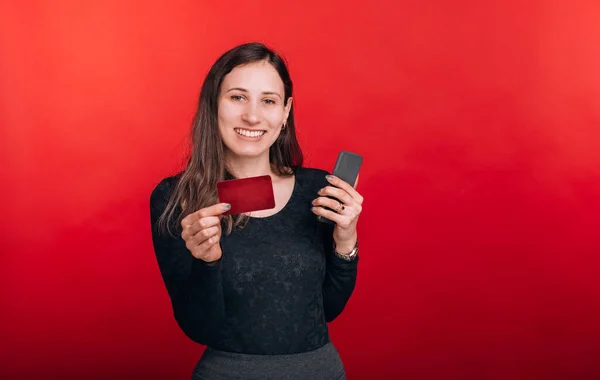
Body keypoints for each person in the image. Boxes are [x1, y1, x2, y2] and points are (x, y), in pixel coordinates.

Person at [149, 42, 364, 380]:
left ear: (285, 111)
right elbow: (199, 328)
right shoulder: (177, 198)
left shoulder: (318, 189)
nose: (252, 115)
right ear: (213, 103)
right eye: (237, 97)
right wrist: (206, 262)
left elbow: (329, 309)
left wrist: (345, 240)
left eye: (268, 101)